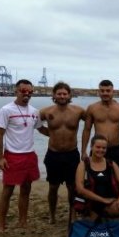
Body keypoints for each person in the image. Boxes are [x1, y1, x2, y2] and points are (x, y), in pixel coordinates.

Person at [0, 79, 48, 232]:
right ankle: (1, 224)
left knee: (26, 190)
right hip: (12, 156)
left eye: (30, 92)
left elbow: (41, 129)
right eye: (23, 91)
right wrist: (0, 157)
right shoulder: (6, 110)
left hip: (29, 156)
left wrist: (58, 134)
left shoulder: (34, 112)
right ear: (16, 91)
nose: (27, 94)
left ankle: (23, 221)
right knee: (7, 191)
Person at [39, 82, 85, 224]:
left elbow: (93, 122)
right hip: (53, 154)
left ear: (69, 95)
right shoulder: (46, 111)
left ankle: (73, 215)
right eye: (59, 93)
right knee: (53, 187)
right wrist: (51, 134)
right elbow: (35, 124)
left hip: (72, 154)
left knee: (73, 187)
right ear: (54, 95)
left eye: (65, 93)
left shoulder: (78, 111)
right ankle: (52, 215)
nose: (62, 96)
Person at [81, 80, 119, 178]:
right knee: (95, 178)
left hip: (116, 148)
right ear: (99, 92)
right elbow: (86, 130)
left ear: (113, 92)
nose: (105, 93)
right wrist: (83, 151)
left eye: (108, 91)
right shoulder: (92, 108)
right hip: (98, 149)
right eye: (102, 91)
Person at [75, 134, 119, 221]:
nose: (101, 150)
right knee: (92, 226)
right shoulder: (83, 164)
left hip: (110, 201)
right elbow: (80, 189)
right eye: (98, 147)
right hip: (92, 203)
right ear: (91, 147)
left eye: (104, 148)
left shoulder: (111, 163)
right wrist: (103, 200)